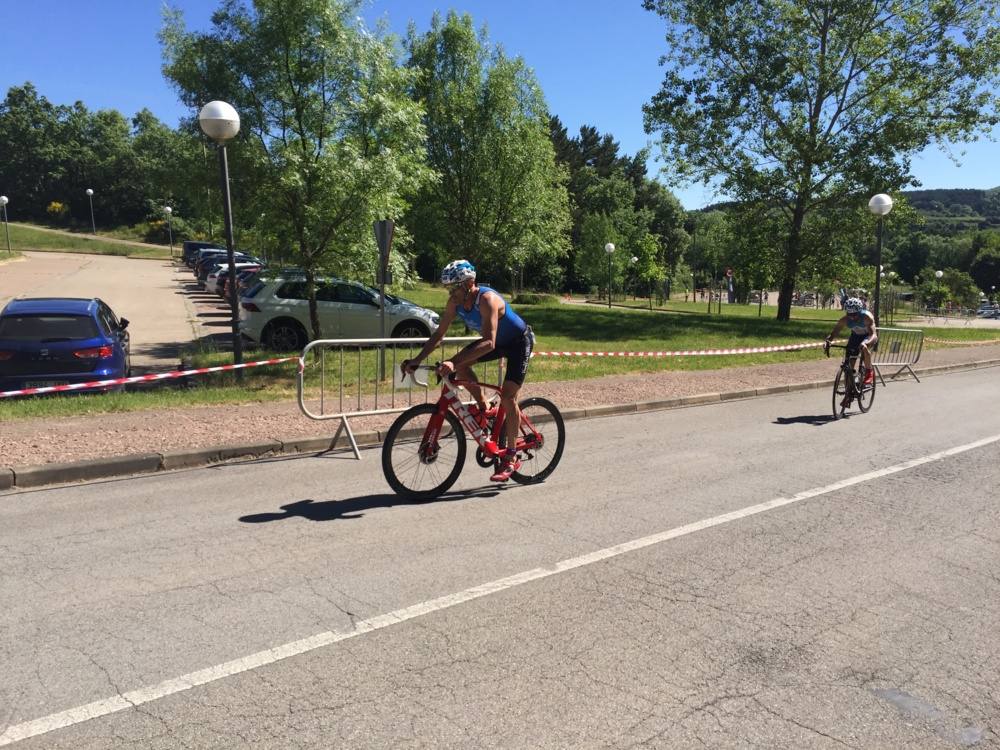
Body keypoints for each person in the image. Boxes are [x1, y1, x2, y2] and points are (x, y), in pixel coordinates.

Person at [402, 260, 535, 483]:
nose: (450, 294)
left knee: (509, 396)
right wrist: (416, 360)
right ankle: (484, 406)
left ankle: (511, 457)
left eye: (453, 288)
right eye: (448, 289)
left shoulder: (487, 300)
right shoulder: (454, 303)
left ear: (468, 284)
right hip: (497, 342)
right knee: (462, 364)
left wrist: (453, 362)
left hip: (518, 343)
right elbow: (438, 336)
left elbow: (489, 342)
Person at [825, 297, 878, 405]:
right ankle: (849, 393)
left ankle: (869, 371)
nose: (852, 317)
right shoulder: (844, 319)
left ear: (860, 311)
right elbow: (834, 332)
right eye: (849, 314)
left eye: (855, 314)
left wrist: (866, 343)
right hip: (855, 336)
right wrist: (828, 341)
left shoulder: (867, 317)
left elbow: (873, 334)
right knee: (848, 366)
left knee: (864, 347)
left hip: (868, 336)